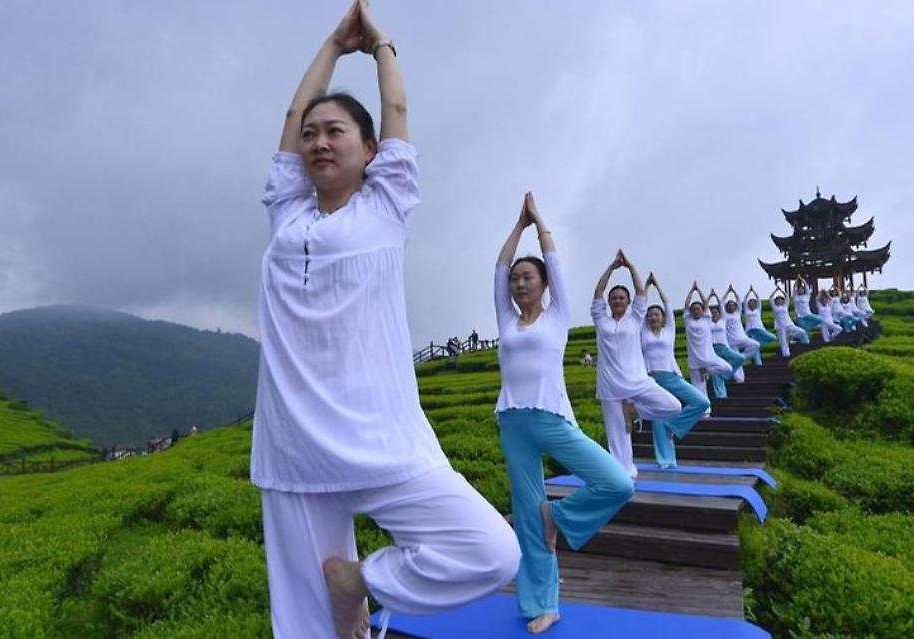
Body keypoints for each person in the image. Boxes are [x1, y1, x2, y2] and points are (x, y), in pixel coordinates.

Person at [252, 3, 520, 637]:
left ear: (371, 150)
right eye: (311, 135)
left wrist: (379, 46)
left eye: (335, 131)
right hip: (294, 448)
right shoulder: (287, 212)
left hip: (382, 439)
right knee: (305, 627)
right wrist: (330, 44)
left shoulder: (386, 206)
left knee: (492, 551)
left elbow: (396, 108)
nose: (318, 141)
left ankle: (360, 582)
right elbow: (292, 115)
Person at [495, 192, 634, 635]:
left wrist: (538, 221)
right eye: (515, 279)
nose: (519, 283)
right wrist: (516, 228)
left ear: (544, 284)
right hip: (512, 422)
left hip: (551, 417)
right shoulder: (506, 320)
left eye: (527, 277)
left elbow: (553, 260)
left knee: (616, 483)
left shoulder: (557, 316)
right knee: (527, 518)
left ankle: (559, 516)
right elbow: (498, 268)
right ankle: (544, 604)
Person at [592, 250, 682, 478]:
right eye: (614, 298)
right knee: (617, 436)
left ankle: (635, 410)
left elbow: (641, 292)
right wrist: (611, 268)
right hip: (610, 385)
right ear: (609, 302)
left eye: (622, 298)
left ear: (628, 302)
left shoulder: (635, 318)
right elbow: (598, 292)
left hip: (637, 381)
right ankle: (624, 474)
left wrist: (630, 266)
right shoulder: (601, 319)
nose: (617, 300)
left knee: (673, 406)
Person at [640, 273, 711, 469]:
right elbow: (640, 306)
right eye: (650, 315)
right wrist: (646, 287)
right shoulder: (643, 331)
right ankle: (666, 461)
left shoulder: (669, 330)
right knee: (658, 420)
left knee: (702, 402)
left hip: (671, 376)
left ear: (663, 317)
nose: (653, 317)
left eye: (657, 314)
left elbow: (668, 305)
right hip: (651, 380)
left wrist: (657, 285)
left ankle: (674, 426)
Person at [683, 281, 735, 399]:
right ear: (691, 311)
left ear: (703, 311)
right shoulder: (688, 320)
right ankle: (706, 410)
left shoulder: (706, 319)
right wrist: (691, 291)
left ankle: (707, 370)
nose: (696, 311)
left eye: (698, 309)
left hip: (709, 357)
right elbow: (686, 305)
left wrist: (698, 290)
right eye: (694, 309)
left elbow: (705, 303)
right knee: (699, 390)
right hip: (694, 361)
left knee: (728, 368)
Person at [707, 290, 747, 383]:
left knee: (740, 358)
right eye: (712, 313)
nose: (714, 314)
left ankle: (727, 375)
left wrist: (717, 295)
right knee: (716, 371)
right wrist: (709, 297)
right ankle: (720, 391)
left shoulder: (723, 320)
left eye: (716, 312)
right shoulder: (707, 323)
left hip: (724, 347)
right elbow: (705, 309)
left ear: (719, 314)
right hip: (713, 348)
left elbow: (721, 304)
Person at [723, 285, 764, 366]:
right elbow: (721, 302)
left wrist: (733, 291)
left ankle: (742, 356)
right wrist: (728, 291)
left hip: (742, 338)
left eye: (732, 305)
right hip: (731, 341)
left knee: (756, 345)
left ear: (735, 307)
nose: (731, 307)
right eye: (729, 306)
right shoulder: (724, 315)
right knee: (738, 365)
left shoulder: (738, 313)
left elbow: (739, 300)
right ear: (726, 307)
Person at [770, 284, 810, 357]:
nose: (779, 301)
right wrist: (776, 290)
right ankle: (786, 354)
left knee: (802, 331)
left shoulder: (785, 306)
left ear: (783, 301)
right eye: (778, 300)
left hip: (789, 324)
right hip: (780, 326)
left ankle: (790, 336)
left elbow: (787, 296)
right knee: (783, 342)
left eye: (781, 300)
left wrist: (781, 290)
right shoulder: (775, 308)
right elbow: (771, 298)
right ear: (776, 302)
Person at [742, 285, 778, 359]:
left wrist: (753, 291)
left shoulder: (758, 310)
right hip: (750, 330)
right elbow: (745, 300)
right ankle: (758, 362)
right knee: (756, 348)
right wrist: (749, 292)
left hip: (759, 329)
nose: (752, 304)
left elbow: (758, 299)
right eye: (750, 303)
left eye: (753, 303)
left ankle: (760, 347)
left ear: (755, 304)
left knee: (773, 337)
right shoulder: (747, 311)